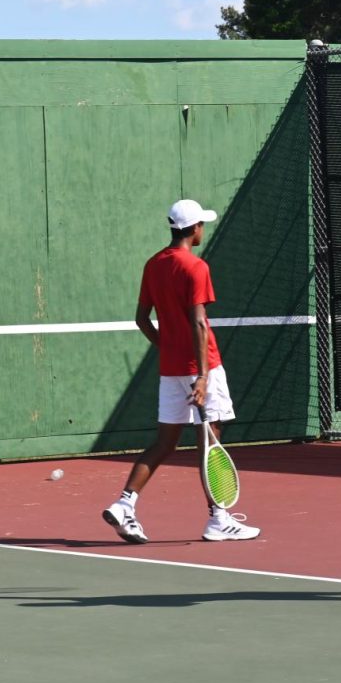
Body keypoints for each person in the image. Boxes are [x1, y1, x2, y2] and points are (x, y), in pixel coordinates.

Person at [103, 199, 261, 544]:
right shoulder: (195, 267)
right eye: (202, 223)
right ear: (194, 229)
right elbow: (199, 323)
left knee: (165, 442)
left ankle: (125, 503)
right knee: (211, 440)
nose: (204, 228)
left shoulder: (153, 265)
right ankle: (218, 519)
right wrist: (203, 376)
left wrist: (167, 347)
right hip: (202, 367)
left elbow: (142, 319)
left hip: (171, 370)